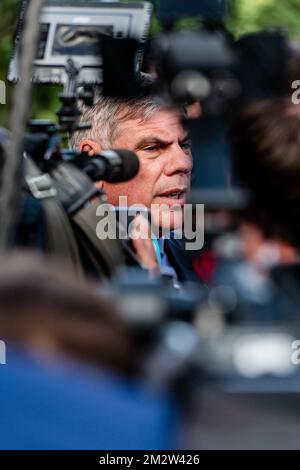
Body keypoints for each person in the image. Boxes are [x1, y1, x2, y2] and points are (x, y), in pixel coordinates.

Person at [70, 95, 199, 282]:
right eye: (152, 148)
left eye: (184, 145)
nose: (184, 163)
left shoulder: (188, 252)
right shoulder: (62, 266)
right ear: (92, 162)